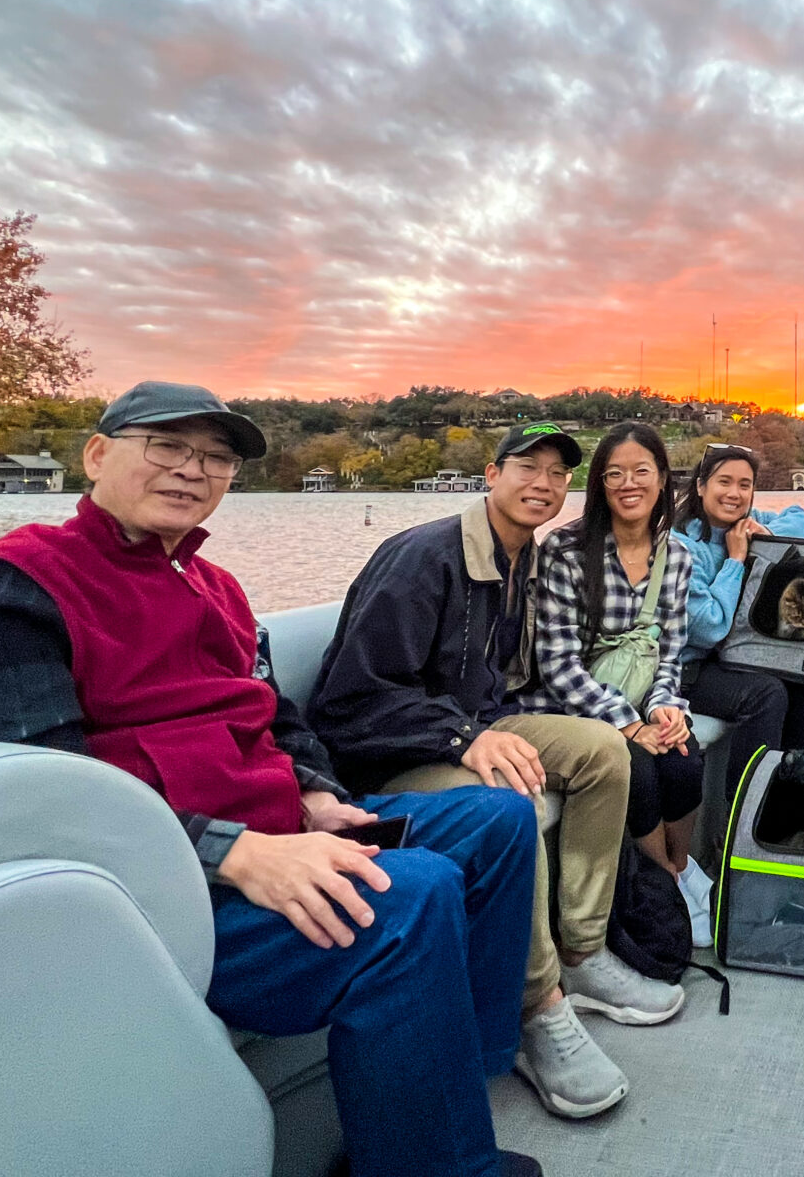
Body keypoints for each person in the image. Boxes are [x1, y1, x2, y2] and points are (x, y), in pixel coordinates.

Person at [0, 382, 544, 1177]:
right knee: (412, 893)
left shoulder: (219, 591)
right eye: (167, 446)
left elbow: (276, 717)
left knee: (495, 821)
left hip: (270, 825)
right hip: (155, 892)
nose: (192, 470)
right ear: (98, 455)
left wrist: (317, 796)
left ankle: (458, 1081)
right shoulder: (0, 592)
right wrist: (234, 855)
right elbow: (33, 809)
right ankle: (433, 1165)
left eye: (217, 458)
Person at [308, 422, 681, 1123]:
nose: (543, 483)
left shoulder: (525, 563)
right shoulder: (424, 559)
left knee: (604, 752)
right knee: (512, 799)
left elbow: (519, 674)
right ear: (490, 473)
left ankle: (584, 949)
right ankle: (538, 1005)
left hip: (471, 729)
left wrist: (649, 704)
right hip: (390, 757)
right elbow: (347, 702)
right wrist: (460, 738)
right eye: (526, 467)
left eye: (557, 474)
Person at [527, 422, 702, 875]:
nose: (629, 484)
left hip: (642, 698)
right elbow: (558, 664)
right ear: (600, 484)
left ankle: (681, 871)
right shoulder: (566, 551)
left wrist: (665, 708)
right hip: (573, 705)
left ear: (662, 478)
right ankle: (662, 879)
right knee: (638, 767)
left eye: (641, 471)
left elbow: (669, 653)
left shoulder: (678, 556)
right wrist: (627, 725)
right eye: (614, 474)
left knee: (684, 760)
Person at [675, 442, 804, 802]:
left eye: (744, 485)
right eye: (724, 482)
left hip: (732, 657)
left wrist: (767, 535)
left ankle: (798, 808)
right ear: (701, 486)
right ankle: (741, 824)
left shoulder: (747, 522)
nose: (734, 494)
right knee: (766, 694)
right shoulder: (682, 544)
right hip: (687, 668)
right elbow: (708, 628)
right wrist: (735, 560)